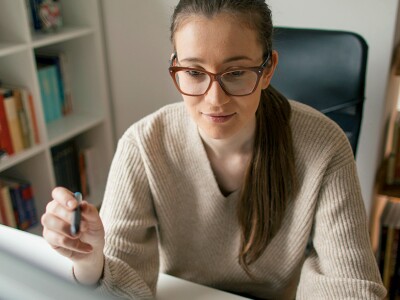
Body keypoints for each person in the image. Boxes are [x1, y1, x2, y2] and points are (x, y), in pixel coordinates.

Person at [41, 0, 387, 299]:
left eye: (236, 73)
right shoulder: (143, 145)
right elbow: (125, 290)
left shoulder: (324, 145)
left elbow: (351, 285)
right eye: (193, 72)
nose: (215, 100)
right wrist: (89, 259)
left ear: (268, 70)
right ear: (175, 67)